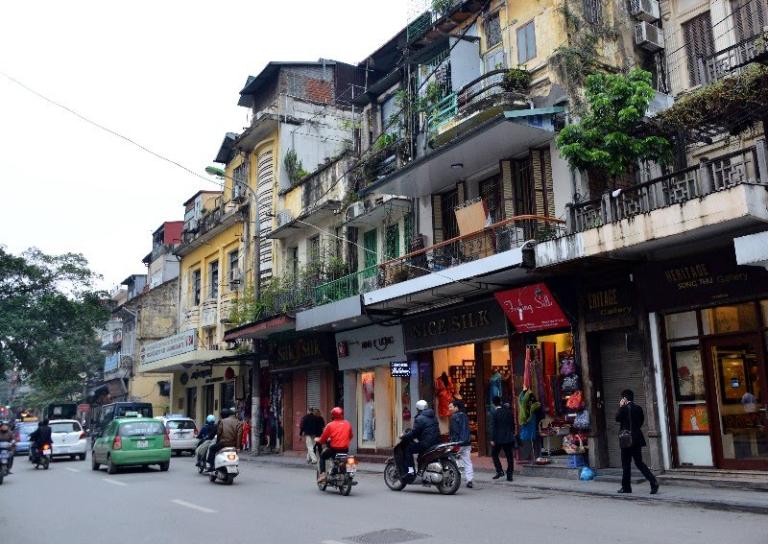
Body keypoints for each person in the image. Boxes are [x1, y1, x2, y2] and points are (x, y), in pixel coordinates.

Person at [616, 389, 659, 495]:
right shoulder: (638, 408)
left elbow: (617, 418)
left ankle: (626, 488)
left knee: (626, 464)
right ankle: (653, 481)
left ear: (624, 398)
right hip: (637, 438)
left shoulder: (624, 409)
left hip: (626, 439)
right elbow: (641, 422)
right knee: (639, 462)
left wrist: (621, 407)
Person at [401, 399, 439, 477]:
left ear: (418, 408)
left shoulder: (420, 418)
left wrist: (404, 436)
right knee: (421, 455)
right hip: (435, 443)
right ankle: (421, 472)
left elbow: (414, 433)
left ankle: (411, 471)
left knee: (408, 449)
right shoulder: (433, 416)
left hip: (426, 443)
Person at [315, 407, 352, 483]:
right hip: (345, 449)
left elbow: (323, 438)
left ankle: (322, 474)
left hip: (334, 449)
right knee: (347, 459)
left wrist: (318, 440)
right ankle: (349, 474)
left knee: (322, 456)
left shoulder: (330, 425)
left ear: (332, 415)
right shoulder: (348, 424)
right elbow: (351, 436)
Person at [489, 396, 516, 482]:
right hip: (508, 437)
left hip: (498, 438)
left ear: (493, 403)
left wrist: (492, 439)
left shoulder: (495, 413)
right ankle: (510, 475)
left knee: (494, 454)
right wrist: (512, 433)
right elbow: (513, 424)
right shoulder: (508, 411)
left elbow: (493, 427)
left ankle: (499, 470)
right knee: (509, 456)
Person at [448, 399, 473, 488]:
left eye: (451, 407)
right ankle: (469, 480)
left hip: (458, 443)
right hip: (467, 442)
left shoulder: (454, 417)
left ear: (456, 407)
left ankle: (452, 479)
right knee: (467, 461)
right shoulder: (464, 416)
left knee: (450, 461)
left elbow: (454, 432)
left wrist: (452, 443)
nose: (449, 408)